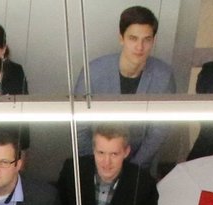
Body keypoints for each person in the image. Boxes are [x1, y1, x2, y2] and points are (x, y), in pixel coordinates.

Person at [71, 8, 173, 170]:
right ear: (121, 38)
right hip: (94, 162)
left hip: (139, 165)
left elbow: (158, 132)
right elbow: (79, 126)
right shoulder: (93, 72)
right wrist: (95, 163)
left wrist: (133, 168)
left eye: (146, 39)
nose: (139, 47)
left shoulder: (163, 76)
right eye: (133, 38)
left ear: (153, 40)